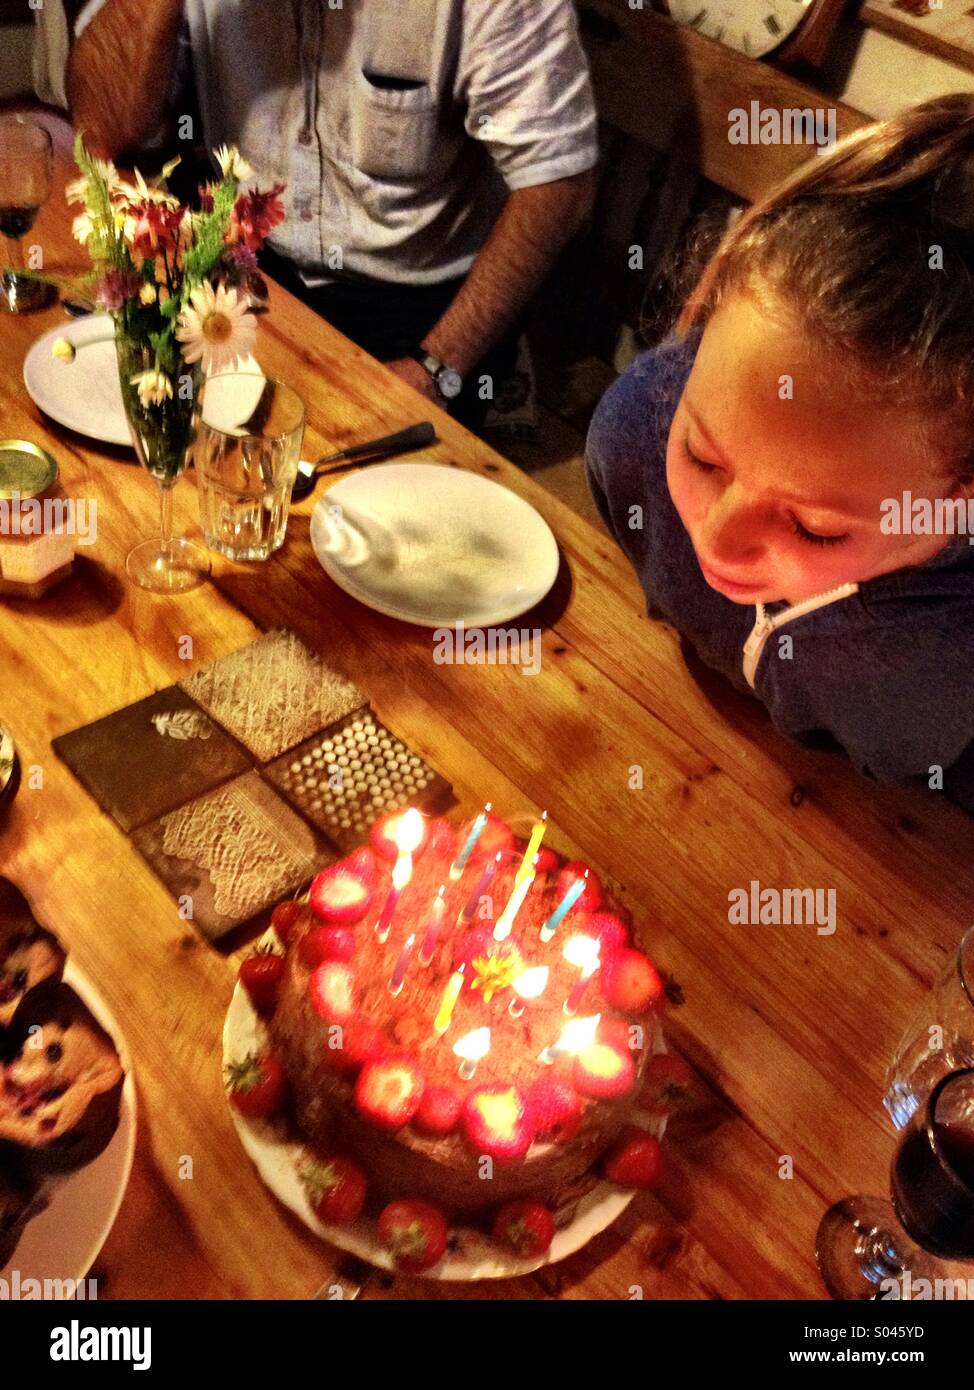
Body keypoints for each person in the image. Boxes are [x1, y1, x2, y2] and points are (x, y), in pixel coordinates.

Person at [586, 95, 974, 813]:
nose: (720, 539)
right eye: (704, 457)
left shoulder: (952, 660)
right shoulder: (637, 435)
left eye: (814, 527)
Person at [64, 0, 598, 430]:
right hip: (248, 282)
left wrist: (437, 368)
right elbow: (101, 130)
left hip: (421, 316)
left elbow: (558, 184)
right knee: (146, 446)